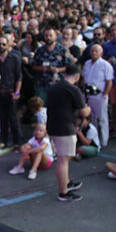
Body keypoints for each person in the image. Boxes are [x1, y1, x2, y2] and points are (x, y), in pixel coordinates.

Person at [45, 62, 89, 202]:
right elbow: (83, 111)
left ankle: (67, 182)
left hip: (52, 125)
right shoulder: (73, 90)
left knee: (63, 158)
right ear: (77, 76)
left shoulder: (53, 87)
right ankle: (63, 192)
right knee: (63, 160)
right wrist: (88, 109)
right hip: (65, 127)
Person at [0, 34, 22, 148]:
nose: (1, 46)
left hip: (11, 92)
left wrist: (17, 92)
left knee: (13, 119)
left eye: (4, 44)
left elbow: (19, 76)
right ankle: (4, 141)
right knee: (2, 118)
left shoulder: (14, 58)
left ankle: (16, 142)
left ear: (8, 45)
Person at [81, 43, 113, 145]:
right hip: (88, 94)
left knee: (102, 118)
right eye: (92, 51)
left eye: (96, 51)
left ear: (101, 53)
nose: (94, 53)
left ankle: (104, 140)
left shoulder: (105, 65)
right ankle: (94, 139)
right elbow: (83, 78)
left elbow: (109, 81)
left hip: (99, 94)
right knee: (91, 118)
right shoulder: (87, 63)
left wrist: (105, 94)